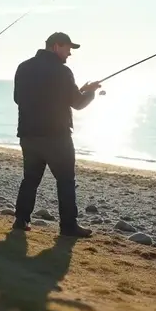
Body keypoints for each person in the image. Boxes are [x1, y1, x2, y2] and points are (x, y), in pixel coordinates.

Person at [12, 32, 101, 237]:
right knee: (65, 180)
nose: (70, 53)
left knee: (30, 180)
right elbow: (77, 103)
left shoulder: (24, 67)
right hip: (56, 136)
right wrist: (90, 93)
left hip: (28, 135)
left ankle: (21, 220)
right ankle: (68, 226)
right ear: (56, 46)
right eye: (68, 48)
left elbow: (18, 98)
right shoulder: (62, 71)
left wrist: (79, 91)